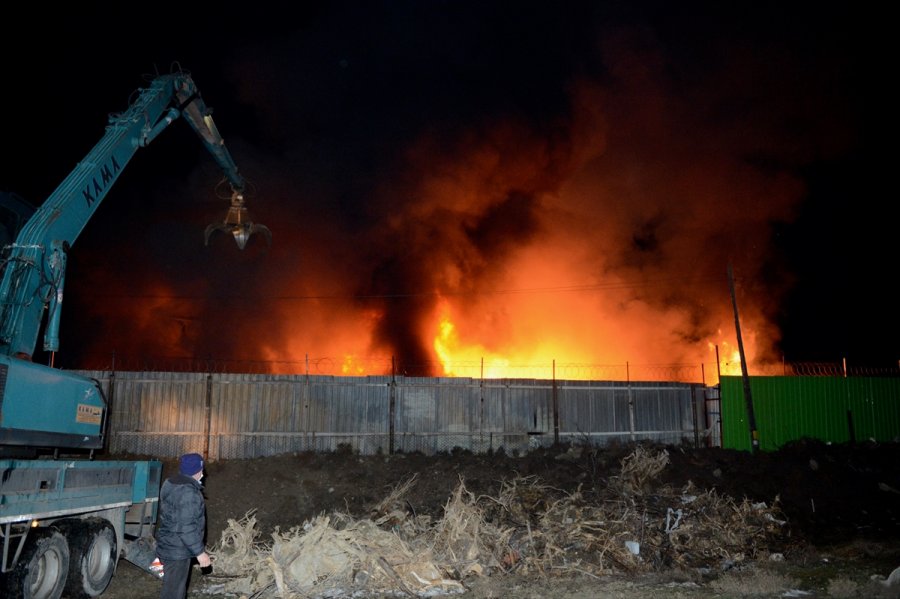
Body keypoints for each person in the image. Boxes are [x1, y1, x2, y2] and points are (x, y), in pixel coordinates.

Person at [156, 452, 211, 599]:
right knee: (174, 593)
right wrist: (200, 553)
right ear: (198, 470)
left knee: (173, 588)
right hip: (178, 550)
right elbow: (186, 527)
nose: (203, 473)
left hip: (168, 544)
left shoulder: (170, 483)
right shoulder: (188, 493)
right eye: (202, 469)